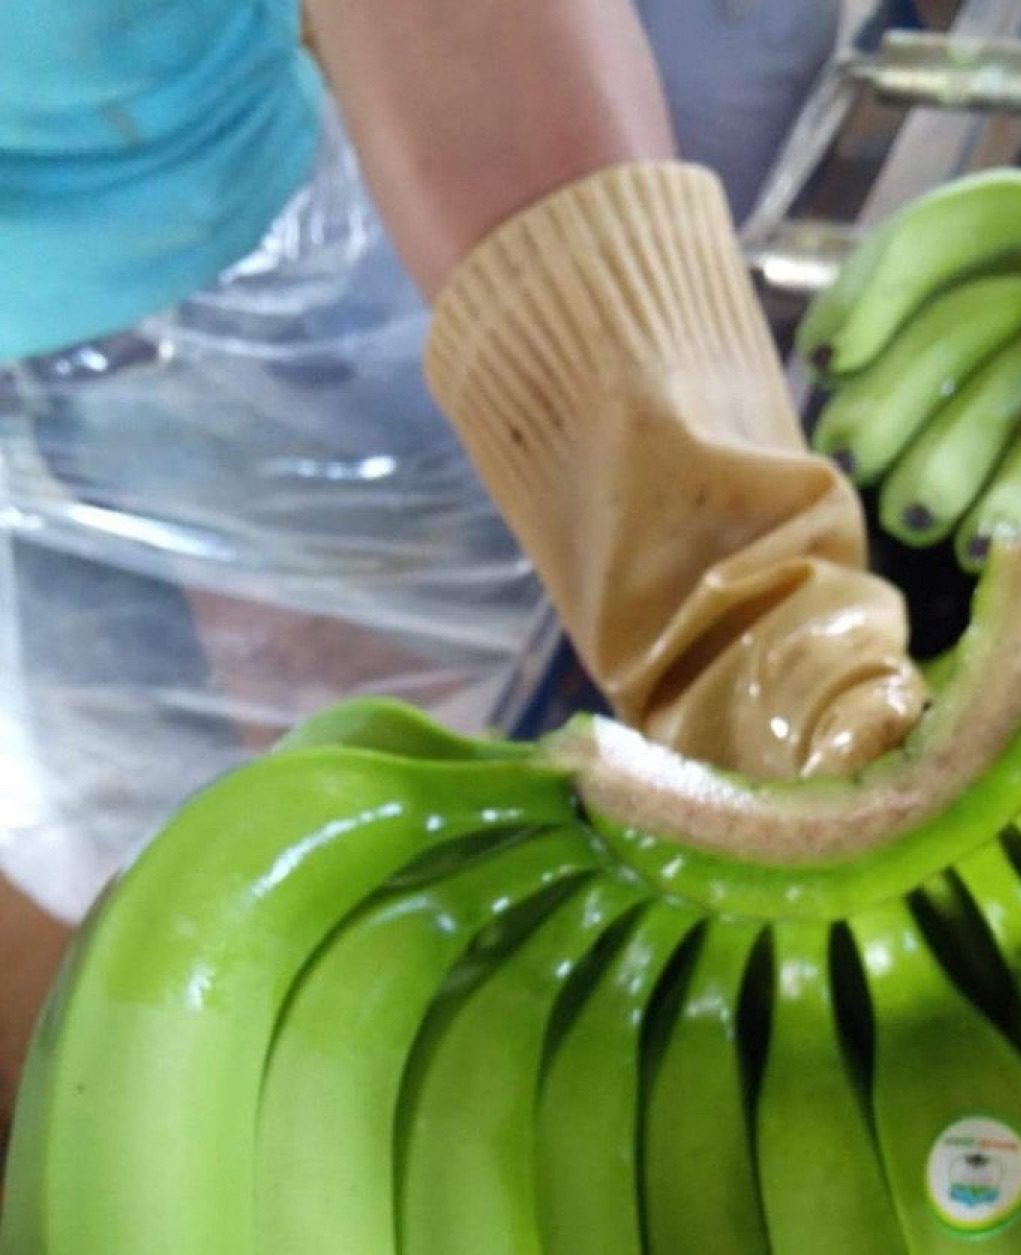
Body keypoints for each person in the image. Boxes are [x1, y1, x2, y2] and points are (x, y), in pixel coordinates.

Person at [1, 0, 923, 788]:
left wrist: (733, 598)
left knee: (418, 730)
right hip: (45, 420)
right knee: (160, 821)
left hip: (257, 276)